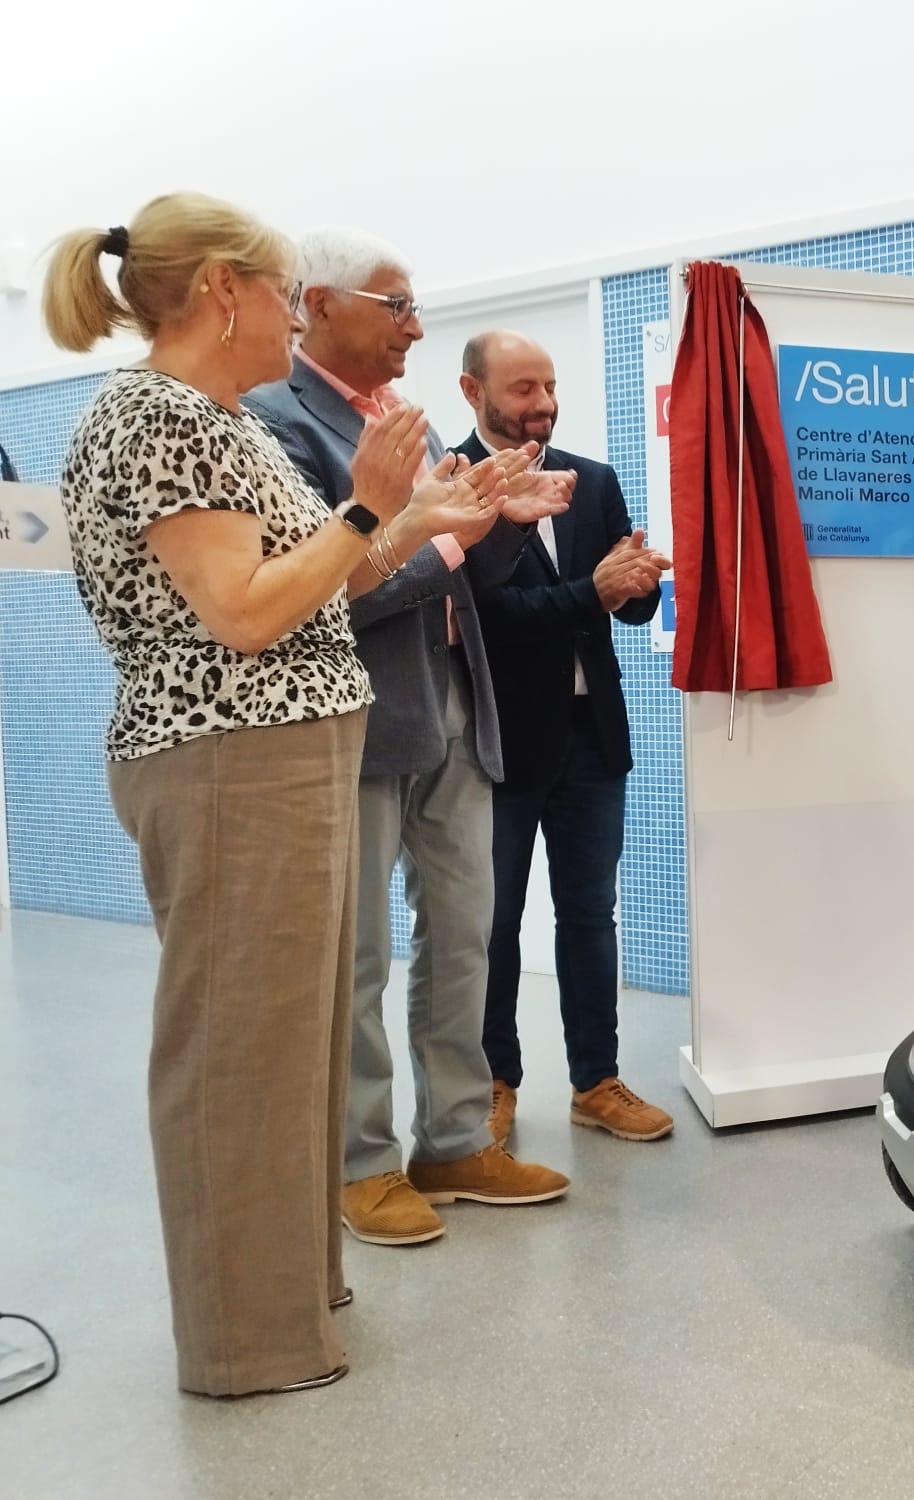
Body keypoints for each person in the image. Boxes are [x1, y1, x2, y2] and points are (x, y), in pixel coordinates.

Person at [44, 192, 518, 1393]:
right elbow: (245, 612)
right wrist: (369, 500)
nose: (290, 311)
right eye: (277, 289)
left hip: (285, 758)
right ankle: (244, 1344)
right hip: (225, 763)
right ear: (221, 290)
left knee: (291, 1047)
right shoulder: (151, 414)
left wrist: (416, 516)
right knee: (237, 1057)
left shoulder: (223, 421)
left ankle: (290, 1305)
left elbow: (327, 573)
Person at [248, 230, 572, 1248]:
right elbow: (314, 596)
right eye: (396, 306)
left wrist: (504, 524)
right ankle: (361, 1162)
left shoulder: (401, 420)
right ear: (317, 304)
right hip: (360, 718)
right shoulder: (274, 425)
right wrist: (444, 541)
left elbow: (456, 566)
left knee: (467, 937)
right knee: (359, 960)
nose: (415, 327)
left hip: (453, 707)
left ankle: (458, 1139)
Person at [456, 331, 674, 1145]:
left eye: (548, 386)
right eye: (522, 389)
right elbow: (493, 618)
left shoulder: (594, 481)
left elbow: (636, 606)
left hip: (592, 739)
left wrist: (639, 581)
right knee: (495, 920)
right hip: (499, 746)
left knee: (590, 916)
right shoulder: (453, 485)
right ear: (472, 389)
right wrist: (596, 589)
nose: (541, 404)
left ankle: (597, 1081)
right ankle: (493, 1083)